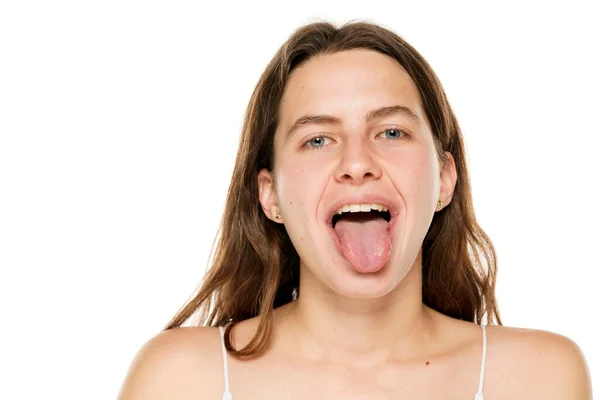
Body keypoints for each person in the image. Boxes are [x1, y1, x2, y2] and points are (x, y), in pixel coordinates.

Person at [117, 20, 592, 399]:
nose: (358, 163)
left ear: (445, 178)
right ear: (271, 195)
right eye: (317, 139)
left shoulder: (540, 379)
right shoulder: (179, 381)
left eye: (391, 132)